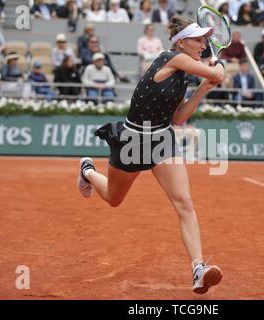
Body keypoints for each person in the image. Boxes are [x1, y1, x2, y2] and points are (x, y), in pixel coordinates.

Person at [76, 16, 225, 294]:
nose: (205, 44)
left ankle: (198, 269)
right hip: (133, 139)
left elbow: (179, 117)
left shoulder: (181, 77)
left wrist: (203, 90)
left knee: (185, 203)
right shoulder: (171, 57)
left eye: (206, 40)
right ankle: (87, 170)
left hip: (161, 140)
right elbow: (216, 74)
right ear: (182, 42)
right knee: (112, 198)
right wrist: (216, 72)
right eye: (200, 39)